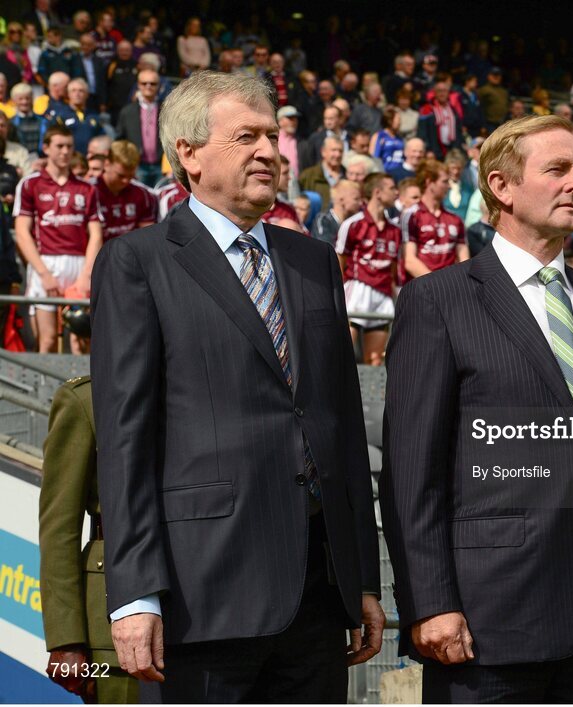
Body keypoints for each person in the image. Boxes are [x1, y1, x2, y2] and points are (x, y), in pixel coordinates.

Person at [89, 70, 384, 703]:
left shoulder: (313, 262)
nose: (269, 152)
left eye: (272, 136)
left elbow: (341, 426)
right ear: (188, 154)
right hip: (203, 598)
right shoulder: (138, 262)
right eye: (246, 136)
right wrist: (135, 595)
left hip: (318, 596)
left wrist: (361, 577)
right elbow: (125, 440)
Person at [381, 114, 573, 703]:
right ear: (501, 187)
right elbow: (412, 473)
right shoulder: (438, 301)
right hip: (488, 624)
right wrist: (430, 602)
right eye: (558, 169)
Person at [39, 376, 139, 704]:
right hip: (112, 632)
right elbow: (59, 529)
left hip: (203, 621)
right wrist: (66, 640)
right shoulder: (86, 399)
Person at [13, 125, 103, 353]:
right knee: (48, 340)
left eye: (69, 147)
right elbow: (22, 232)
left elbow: (95, 234)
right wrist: (43, 273)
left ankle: (82, 389)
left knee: (82, 340)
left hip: (78, 264)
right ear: (46, 148)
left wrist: (86, 275)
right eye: (59, 146)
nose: (65, 152)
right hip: (46, 263)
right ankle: (47, 390)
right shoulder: (30, 184)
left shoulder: (87, 188)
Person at [336, 173, 400, 366]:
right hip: (358, 290)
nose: (396, 192)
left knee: (375, 360)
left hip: (382, 294)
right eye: (391, 188)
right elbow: (340, 261)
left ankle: (370, 397)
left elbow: (393, 269)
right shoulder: (353, 224)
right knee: (342, 352)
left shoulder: (395, 230)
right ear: (378, 192)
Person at [401, 158, 468, 278]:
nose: (449, 186)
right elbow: (410, 261)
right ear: (429, 182)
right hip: (423, 288)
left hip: (450, 287)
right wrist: (436, 284)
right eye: (444, 182)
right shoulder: (412, 216)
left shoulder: (456, 219)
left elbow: (464, 260)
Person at [93, 139, 157, 241]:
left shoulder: (143, 195)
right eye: (120, 175)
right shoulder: (90, 192)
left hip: (130, 253)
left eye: (131, 176)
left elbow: (149, 237)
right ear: (106, 164)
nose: (126, 181)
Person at [115, 69, 163, 187]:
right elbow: (120, 140)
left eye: (153, 83)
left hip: (161, 166)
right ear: (138, 85)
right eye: (144, 83)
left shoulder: (167, 110)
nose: (148, 86)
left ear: (159, 86)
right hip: (137, 166)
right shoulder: (127, 111)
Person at [313, 178, 362, 246]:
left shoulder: (355, 223)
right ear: (341, 200)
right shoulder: (324, 220)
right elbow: (326, 249)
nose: (360, 203)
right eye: (356, 199)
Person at [299, 136, 344, 207]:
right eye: (334, 150)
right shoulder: (308, 176)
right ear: (323, 152)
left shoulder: (349, 176)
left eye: (340, 151)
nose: (338, 154)